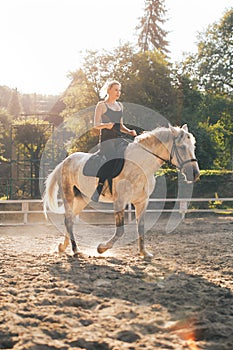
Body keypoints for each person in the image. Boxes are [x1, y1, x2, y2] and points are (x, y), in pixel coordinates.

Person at [91, 80, 137, 202]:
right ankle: (99, 188)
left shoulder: (120, 106)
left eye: (119, 90)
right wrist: (106, 125)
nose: (118, 92)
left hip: (118, 139)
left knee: (131, 153)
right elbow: (96, 125)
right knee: (112, 159)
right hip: (106, 141)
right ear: (109, 90)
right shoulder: (101, 105)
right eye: (116, 90)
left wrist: (129, 131)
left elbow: (120, 126)